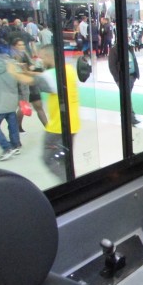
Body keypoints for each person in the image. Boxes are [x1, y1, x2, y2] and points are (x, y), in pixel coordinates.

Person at [34, 45, 81, 183]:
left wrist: (14, 72)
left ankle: (69, 185)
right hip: (72, 124)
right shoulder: (69, 69)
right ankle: (71, 182)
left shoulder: (53, 74)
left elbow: (30, 81)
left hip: (58, 127)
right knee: (64, 157)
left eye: (42, 57)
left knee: (49, 158)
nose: (40, 60)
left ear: (49, 57)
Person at [11, 37, 48, 132]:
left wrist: (32, 67)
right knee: (24, 107)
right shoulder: (11, 57)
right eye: (19, 45)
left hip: (31, 83)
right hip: (22, 85)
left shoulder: (25, 54)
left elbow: (31, 66)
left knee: (38, 106)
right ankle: (16, 127)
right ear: (14, 46)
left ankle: (49, 128)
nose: (22, 46)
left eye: (23, 44)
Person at [108, 43, 140, 126]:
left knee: (127, 97)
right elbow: (112, 66)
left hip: (132, 76)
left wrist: (136, 74)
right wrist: (118, 78)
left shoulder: (130, 48)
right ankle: (130, 117)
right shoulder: (114, 50)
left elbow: (134, 60)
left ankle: (127, 116)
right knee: (127, 97)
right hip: (122, 78)